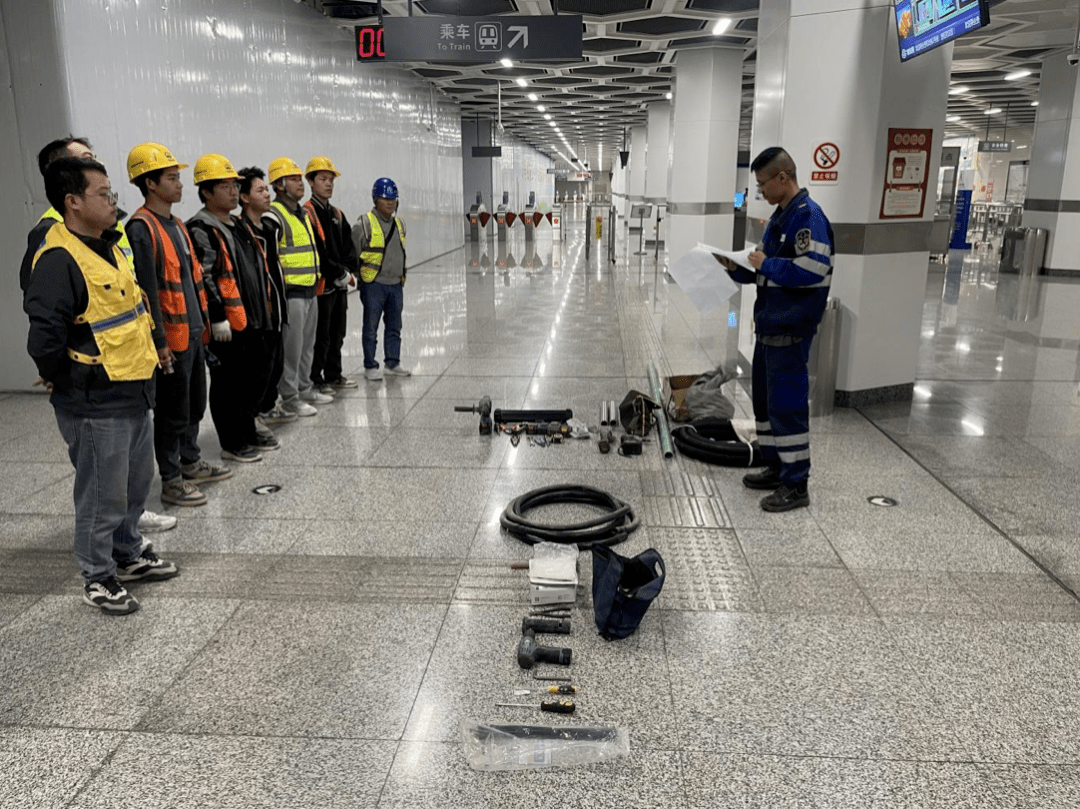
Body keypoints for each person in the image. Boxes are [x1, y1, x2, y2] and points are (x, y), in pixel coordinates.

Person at [24, 156, 179, 614]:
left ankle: (127, 552)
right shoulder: (57, 259)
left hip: (133, 389)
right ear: (72, 202)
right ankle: (97, 575)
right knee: (101, 495)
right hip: (94, 401)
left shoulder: (108, 245)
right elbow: (45, 339)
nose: (113, 201)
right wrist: (65, 380)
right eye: (103, 194)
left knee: (134, 485)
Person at [720, 147, 834, 512]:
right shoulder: (780, 218)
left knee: (787, 407)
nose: (760, 191)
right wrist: (734, 266)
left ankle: (796, 483)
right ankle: (775, 466)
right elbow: (761, 269)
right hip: (769, 327)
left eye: (762, 184)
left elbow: (812, 270)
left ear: (782, 177)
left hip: (791, 328)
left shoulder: (809, 217)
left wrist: (766, 264)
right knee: (766, 406)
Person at [126, 142, 232, 508]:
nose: (180, 184)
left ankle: (190, 461)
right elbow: (148, 293)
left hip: (192, 334)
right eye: (171, 178)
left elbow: (192, 281)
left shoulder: (176, 225)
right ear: (150, 183)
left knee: (193, 405)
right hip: (170, 339)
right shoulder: (142, 228)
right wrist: (159, 342)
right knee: (172, 412)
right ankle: (171, 480)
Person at [187, 154, 282, 463]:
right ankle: (232, 442)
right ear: (206, 192)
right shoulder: (202, 228)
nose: (232, 192)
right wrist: (217, 317)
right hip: (226, 324)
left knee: (250, 380)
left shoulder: (239, 225)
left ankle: (247, 430)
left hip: (251, 318)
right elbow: (205, 276)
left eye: (234, 186)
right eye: (225, 186)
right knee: (228, 385)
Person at [266, 156, 330, 416]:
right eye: (293, 179)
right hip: (291, 294)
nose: (299, 183)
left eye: (299, 178)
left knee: (306, 347)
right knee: (291, 351)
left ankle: (305, 388)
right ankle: (290, 397)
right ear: (279, 185)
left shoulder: (302, 214)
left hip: (310, 291)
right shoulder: (274, 215)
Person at [237, 166, 292, 429]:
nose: (267, 194)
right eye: (260, 190)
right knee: (258, 369)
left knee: (275, 364)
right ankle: (254, 416)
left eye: (266, 189)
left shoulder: (269, 228)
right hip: (259, 313)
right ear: (244, 197)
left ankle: (269, 406)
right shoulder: (241, 231)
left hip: (277, 308)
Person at [303, 156, 357, 393]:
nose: (328, 184)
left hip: (339, 285)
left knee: (338, 333)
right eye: (323, 179)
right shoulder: (307, 214)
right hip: (322, 287)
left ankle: (334, 375)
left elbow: (348, 248)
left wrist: (346, 272)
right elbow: (318, 251)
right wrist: (337, 272)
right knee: (321, 336)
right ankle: (316, 379)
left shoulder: (337, 214)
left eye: (331, 180)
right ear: (311, 182)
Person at [351, 177, 411, 381]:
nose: (390, 202)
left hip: (396, 284)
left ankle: (392, 362)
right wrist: (359, 277)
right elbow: (354, 252)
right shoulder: (364, 223)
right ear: (375, 200)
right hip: (374, 284)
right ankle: (370, 365)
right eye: (385, 198)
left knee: (395, 326)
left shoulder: (400, 224)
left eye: (393, 199)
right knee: (371, 327)